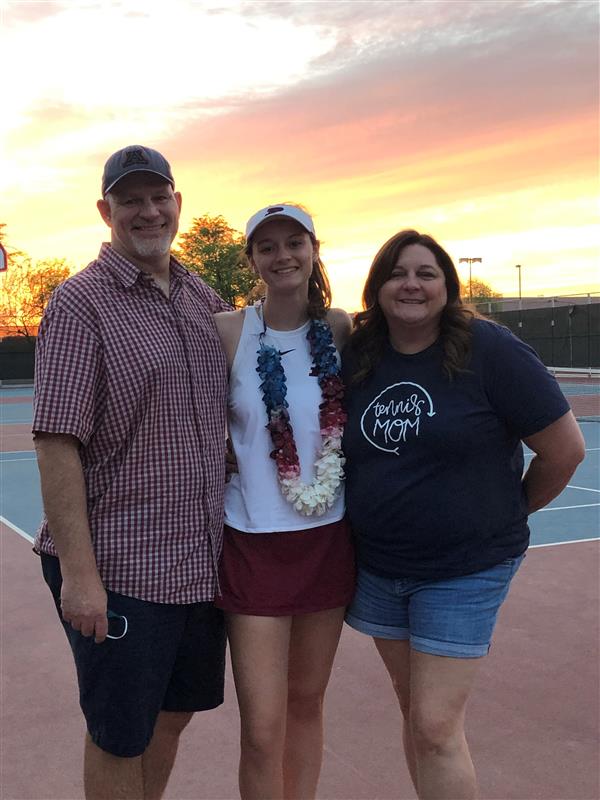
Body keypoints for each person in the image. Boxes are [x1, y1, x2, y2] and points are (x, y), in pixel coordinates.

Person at [341, 229, 585, 800]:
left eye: (427, 274)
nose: (411, 284)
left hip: (464, 570)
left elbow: (565, 450)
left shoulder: (491, 350)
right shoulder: (359, 355)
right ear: (377, 287)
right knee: (420, 719)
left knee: (432, 725)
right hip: (380, 567)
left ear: (448, 287)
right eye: (398, 273)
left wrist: (507, 510)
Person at [33, 145, 231, 800]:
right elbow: (58, 442)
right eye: (131, 200)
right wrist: (82, 580)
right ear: (106, 211)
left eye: (158, 197)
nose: (148, 212)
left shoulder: (205, 299)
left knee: (173, 716)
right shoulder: (80, 304)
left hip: (198, 563)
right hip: (120, 567)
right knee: (120, 733)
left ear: (177, 203)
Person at [213, 204, 355, 800]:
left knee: (306, 704)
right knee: (262, 727)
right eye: (267, 247)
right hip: (252, 543)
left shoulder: (342, 328)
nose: (283, 255)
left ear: (314, 249)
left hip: (328, 540)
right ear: (252, 262)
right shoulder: (229, 330)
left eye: (294, 241)